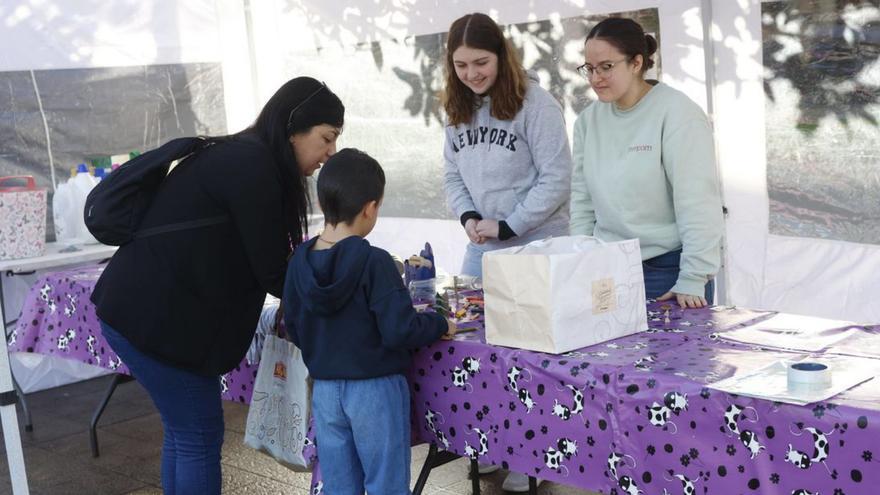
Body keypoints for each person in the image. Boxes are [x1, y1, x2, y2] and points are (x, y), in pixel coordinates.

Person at [91, 77, 343, 494]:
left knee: (185, 433)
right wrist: (340, 284)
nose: (330, 153)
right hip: (154, 320)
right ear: (294, 128)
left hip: (144, 311)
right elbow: (273, 271)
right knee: (198, 435)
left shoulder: (242, 157)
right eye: (326, 138)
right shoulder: (253, 166)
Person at [283, 148, 456, 494]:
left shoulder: (298, 261)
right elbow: (400, 329)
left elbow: (294, 326)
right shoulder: (375, 262)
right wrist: (440, 324)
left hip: (326, 390)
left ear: (320, 202)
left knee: (340, 485)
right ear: (370, 208)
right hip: (375, 391)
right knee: (386, 485)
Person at [570, 17, 723, 308]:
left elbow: (698, 202)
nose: (595, 78)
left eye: (606, 67)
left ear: (636, 63)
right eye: (589, 68)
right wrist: (581, 260)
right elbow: (582, 200)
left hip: (668, 271)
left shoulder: (677, 113)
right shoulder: (588, 122)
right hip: (606, 268)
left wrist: (693, 275)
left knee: (672, 355)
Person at [443, 12, 572, 281]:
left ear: (501, 57)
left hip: (539, 246)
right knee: (469, 320)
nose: (471, 74)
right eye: (461, 65)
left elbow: (557, 179)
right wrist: (468, 217)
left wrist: (510, 226)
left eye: (481, 62)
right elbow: (453, 175)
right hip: (484, 249)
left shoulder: (537, 105)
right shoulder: (457, 109)